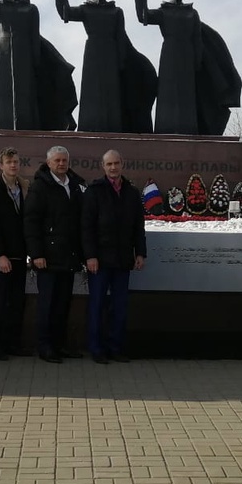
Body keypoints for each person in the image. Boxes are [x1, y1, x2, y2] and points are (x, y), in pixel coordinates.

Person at [135, 0, 241, 135]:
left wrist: (197, 60)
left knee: (187, 93)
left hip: (187, 55)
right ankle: (165, 128)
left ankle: (188, 128)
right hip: (169, 54)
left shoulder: (191, 13)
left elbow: (197, 38)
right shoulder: (163, 11)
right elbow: (143, 16)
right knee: (167, 91)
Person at [0, 0, 77, 131]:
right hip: (5, 51)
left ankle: (27, 125)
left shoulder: (30, 9)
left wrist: (36, 61)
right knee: (4, 90)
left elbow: (35, 35)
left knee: (26, 93)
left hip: (25, 53)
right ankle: (3, 125)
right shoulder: (1, 7)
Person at [56, 0, 157, 133]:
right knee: (92, 90)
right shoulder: (86, 9)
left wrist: (122, 61)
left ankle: (112, 125)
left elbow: (121, 36)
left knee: (111, 91)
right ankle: (89, 125)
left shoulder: (116, 12)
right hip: (93, 52)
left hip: (111, 53)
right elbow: (66, 12)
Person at [81, 150, 146, 364]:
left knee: (119, 307)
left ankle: (115, 347)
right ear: (103, 166)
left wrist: (140, 252)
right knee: (97, 305)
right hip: (99, 260)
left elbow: (138, 226)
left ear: (122, 164)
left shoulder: (131, 192)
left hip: (122, 259)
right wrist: (90, 256)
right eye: (109, 164)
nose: (113, 167)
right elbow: (87, 227)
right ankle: (97, 349)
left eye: (116, 163)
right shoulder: (94, 191)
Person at [24, 145, 86, 363]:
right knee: (47, 305)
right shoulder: (40, 187)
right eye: (57, 160)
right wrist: (36, 253)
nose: (61, 164)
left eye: (64, 160)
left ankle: (59, 345)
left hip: (68, 257)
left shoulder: (76, 185)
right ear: (48, 163)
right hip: (47, 258)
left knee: (62, 305)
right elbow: (31, 222)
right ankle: (45, 346)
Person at [0, 147, 30, 360]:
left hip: (20, 255)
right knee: (0, 303)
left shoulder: (25, 188)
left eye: (16, 162)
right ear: (0, 165)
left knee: (17, 302)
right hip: (3, 258)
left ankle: (13, 344)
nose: (13, 165)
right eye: (9, 162)